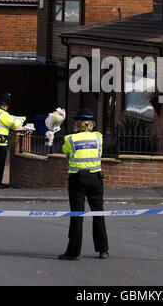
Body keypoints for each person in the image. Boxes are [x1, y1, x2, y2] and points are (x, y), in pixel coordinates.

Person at [58, 109, 109, 261]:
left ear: (77, 124)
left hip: (77, 179)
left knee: (77, 215)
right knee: (98, 213)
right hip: (96, 179)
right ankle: (103, 250)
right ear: (91, 124)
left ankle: (73, 252)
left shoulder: (70, 139)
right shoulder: (98, 138)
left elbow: (66, 154)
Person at [0, 93, 25, 189]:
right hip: (1, 142)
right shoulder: (3, 114)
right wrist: (21, 120)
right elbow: (14, 124)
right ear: (5, 106)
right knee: (0, 163)